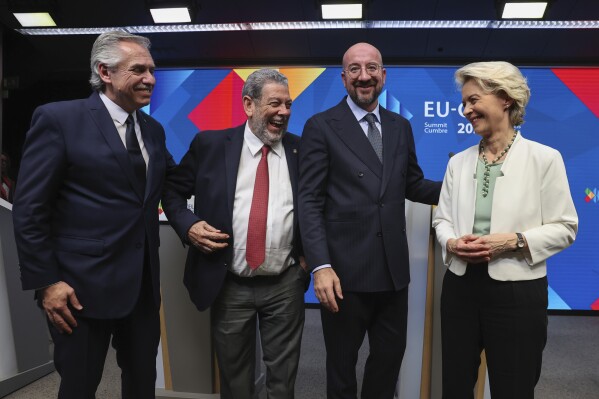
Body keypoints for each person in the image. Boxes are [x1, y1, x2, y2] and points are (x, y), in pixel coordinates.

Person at [12, 31, 174, 398]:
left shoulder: (154, 130)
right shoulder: (59, 119)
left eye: (152, 70)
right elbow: (29, 208)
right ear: (105, 72)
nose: (150, 79)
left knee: (141, 385)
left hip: (142, 291)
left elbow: (171, 183)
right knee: (80, 386)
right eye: (138, 70)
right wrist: (48, 282)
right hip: (78, 291)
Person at [298, 42, 441, 398]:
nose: (365, 76)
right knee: (341, 366)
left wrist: (464, 184)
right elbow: (309, 201)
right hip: (343, 273)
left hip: (393, 272)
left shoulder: (400, 127)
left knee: (389, 360)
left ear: (383, 75)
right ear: (343, 77)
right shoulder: (320, 126)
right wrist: (320, 266)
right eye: (356, 69)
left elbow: (412, 184)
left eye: (372, 68)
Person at [433, 61, 578, 399]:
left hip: (517, 293)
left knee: (513, 387)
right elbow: (442, 220)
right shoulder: (458, 162)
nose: (466, 109)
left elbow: (566, 227)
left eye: (474, 100)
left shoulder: (545, 158)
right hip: (459, 288)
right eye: (465, 102)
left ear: (505, 98)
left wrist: (513, 241)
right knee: (454, 385)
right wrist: (452, 242)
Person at [162, 69, 309, 399]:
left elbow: (318, 207)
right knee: (235, 382)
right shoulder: (210, 145)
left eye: (288, 104)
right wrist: (187, 224)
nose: (284, 112)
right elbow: (172, 190)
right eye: (275, 103)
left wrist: (307, 262)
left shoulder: (304, 150)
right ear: (249, 105)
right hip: (228, 282)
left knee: (282, 383)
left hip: (285, 282)